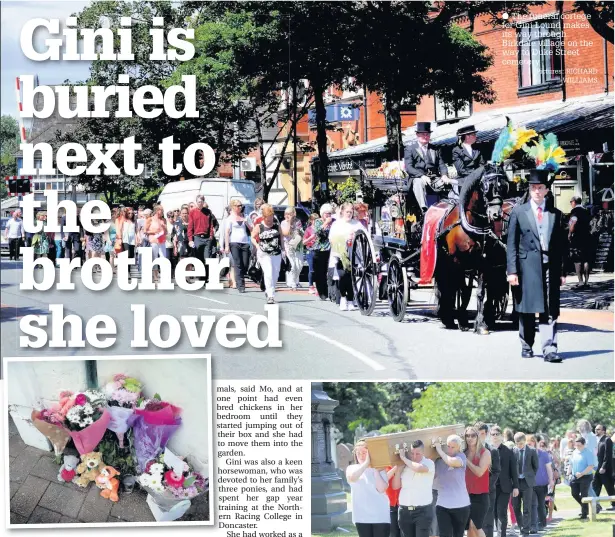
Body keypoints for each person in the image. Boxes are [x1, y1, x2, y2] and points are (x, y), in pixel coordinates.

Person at [506, 169, 567, 363]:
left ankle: (550, 348)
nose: (537, 191)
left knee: (550, 307)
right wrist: (512, 271)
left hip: (550, 266)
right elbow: (512, 244)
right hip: (526, 267)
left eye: (540, 188)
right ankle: (526, 344)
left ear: (547, 190)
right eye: (534, 188)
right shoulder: (519, 212)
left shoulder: (556, 214)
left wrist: (562, 271)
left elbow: (561, 246)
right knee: (527, 308)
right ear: (530, 190)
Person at [404, 122, 450, 213]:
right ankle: (424, 209)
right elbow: (409, 167)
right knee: (419, 182)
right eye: (423, 134)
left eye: (428, 134)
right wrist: (422, 176)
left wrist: (444, 175)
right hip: (418, 178)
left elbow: (441, 165)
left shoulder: (435, 148)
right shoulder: (410, 149)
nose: (426, 136)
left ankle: (449, 208)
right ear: (417, 135)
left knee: (451, 183)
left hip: (434, 178)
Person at [346, 441, 391, 537]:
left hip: (380, 516)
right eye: (358, 453)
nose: (361, 456)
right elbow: (352, 478)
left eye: (364, 453)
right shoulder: (352, 468)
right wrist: (366, 464)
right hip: (361, 516)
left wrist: (374, 469)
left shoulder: (379, 469)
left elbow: (381, 489)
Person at [328, 202, 366, 311]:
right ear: (342, 212)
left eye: (351, 212)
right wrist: (343, 240)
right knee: (342, 276)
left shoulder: (357, 224)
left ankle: (350, 300)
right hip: (340, 253)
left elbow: (364, 236)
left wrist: (354, 237)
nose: (349, 214)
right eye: (347, 211)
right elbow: (331, 239)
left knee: (351, 277)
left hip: (354, 254)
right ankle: (343, 299)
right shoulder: (337, 224)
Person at [393, 440, 435, 537]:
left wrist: (403, 458)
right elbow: (395, 486)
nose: (414, 456)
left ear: (423, 453)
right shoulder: (405, 465)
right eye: (412, 453)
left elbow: (419, 468)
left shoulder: (429, 463)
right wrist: (398, 472)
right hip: (404, 511)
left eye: (418, 454)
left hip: (423, 512)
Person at [433, 435, 471, 537]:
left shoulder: (461, 457)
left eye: (452, 447)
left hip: (461, 505)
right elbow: (431, 477)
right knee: (444, 534)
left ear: (458, 447)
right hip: (442, 505)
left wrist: (439, 449)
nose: (449, 449)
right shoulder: (438, 461)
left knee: (458, 535)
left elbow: (451, 462)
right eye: (448, 446)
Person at [489, 425, 519, 537]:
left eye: (497, 434)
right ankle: (498, 533)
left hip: (505, 486)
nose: (495, 436)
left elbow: (513, 470)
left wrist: (516, 486)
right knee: (494, 512)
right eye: (493, 434)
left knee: (502, 512)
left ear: (501, 436)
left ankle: (502, 535)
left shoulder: (508, 451)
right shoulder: (487, 450)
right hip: (490, 486)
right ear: (490, 436)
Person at [251, 204, 283, 304]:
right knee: (268, 273)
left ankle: (269, 290)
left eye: (271, 217)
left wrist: (283, 249)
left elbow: (281, 237)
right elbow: (252, 237)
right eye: (268, 218)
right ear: (263, 217)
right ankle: (270, 295)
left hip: (276, 252)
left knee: (275, 274)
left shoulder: (277, 225)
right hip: (264, 254)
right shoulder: (259, 226)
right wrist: (256, 246)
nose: (270, 220)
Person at [464, 426, 491, 537]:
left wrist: (466, 461)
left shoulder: (485, 453)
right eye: (467, 436)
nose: (470, 438)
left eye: (473, 435)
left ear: (478, 437)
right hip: (465, 495)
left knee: (476, 526)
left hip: (480, 496)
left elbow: (479, 472)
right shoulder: (463, 452)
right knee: (469, 527)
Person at [474, 423, 500, 537]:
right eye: (477, 434)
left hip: (488, 490)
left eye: (482, 434)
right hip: (472, 490)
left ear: (487, 434)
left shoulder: (493, 451)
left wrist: (486, 486)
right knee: (474, 521)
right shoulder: (468, 451)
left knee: (488, 519)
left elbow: (496, 471)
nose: (480, 436)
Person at [512, 432, 539, 536]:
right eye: (517, 444)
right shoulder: (513, 451)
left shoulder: (531, 451)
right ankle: (521, 526)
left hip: (527, 482)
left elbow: (536, 466)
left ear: (525, 441)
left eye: (521, 443)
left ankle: (525, 531)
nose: (520, 446)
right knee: (516, 507)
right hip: (516, 482)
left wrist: (530, 477)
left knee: (527, 507)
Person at [188, 195, 218, 282]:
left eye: (201, 202)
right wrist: (190, 239)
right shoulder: (192, 212)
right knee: (198, 258)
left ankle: (205, 277)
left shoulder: (208, 212)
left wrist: (211, 236)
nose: (200, 204)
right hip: (197, 237)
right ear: (196, 202)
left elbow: (211, 225)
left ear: (203, 202)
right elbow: (190, 227)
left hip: (207, 238)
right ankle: (200, 276)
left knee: (207, 258)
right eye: (198, 202)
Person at [225, 199, 251, 293]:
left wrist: (246, 222)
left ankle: (241, 279)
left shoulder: (245, 216)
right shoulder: (230, 219)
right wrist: (227, 246)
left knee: (245, 264)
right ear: (233, 207)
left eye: (241, 205)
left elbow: (252, 229)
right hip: (234, 243)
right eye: (238, 206)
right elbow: (227, 233)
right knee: (238, 263)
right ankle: (240, 285)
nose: (240, 207)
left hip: (245, 242)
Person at [569, 436, 595, 519]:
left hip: (586, 476)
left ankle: (584, 513)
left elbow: (591, 466)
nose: (577, 447)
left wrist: (582, 473)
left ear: (584, 445)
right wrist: (569, 472)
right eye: (576, 445)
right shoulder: (574, 452)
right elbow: (571, 463)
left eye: (579, 445)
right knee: (574, 494)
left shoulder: (588, 453)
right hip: (575, 476)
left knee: (584, 495)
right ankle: (586, 508)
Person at [568, 196, 591, 288]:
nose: (570, 204)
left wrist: (570, 233)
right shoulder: (586, 211)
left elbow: (573, 224)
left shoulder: (574, 212)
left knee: (577, 260)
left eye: (571, 202)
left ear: (574, 202)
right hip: (587, 237)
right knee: (586, 259)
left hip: (577, 238)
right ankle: (586, 281)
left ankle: (580, 282)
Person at [312, 204, 334, 301]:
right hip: (320, 249)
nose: (328, 215)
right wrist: (325, 224)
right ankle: (322, 292)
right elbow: (318, 233)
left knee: (330, 272)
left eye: (329, 213)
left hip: (331, 249)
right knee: (320, 272)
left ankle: (330, 292)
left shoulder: (334, 223)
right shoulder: (318, 222)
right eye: (326, 213)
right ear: (322, 214)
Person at [533, 435, 554, 531]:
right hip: (531, 484)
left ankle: (542, 522)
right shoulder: (528, 454)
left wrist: (551, 480)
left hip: (542, 484)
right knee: (533, 504)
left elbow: (549, 468)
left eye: (533, 442)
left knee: (541, 504)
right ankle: (534, 523)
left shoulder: (544, 454)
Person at [281, 207, 304, 290]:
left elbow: (298, 232)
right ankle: (293, 282)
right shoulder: (283, 223)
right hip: (288, 245)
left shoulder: (298, 221)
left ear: (293, 214)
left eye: (290, 214)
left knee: (300, 265)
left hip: (297, 245)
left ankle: (294, 279)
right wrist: (289, 222)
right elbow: (286, 233)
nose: (288, 215)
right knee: (293, 265)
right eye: (286, 214)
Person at [593, 424, 615, 509]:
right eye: (595, 429)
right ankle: (595, 505)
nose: (596, 430)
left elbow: (608, 455)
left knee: (609, 487)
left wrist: (604, 467)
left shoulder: (607, 440)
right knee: (595, 486)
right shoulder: (598, 440)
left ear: (603, 431)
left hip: (605, 469)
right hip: (598, 468)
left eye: (598, 429)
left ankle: (614, 505)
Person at [303, 213, 319, 294]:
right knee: (312, 269)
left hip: (319, 250)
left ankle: (318, 286)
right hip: (310, 250)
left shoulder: (320, 229)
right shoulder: (308, 229)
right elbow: (304, 242)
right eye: (314, 220)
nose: (316, 222)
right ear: (311, 220)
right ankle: (310, 286)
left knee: (319, 269)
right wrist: (311, 237)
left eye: (317, 220)